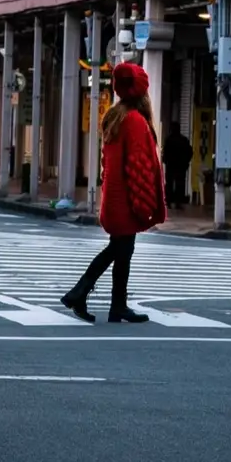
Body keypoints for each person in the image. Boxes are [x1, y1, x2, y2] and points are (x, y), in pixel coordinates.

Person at [61, 60, 166, 323]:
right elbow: (139, 169)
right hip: (128, 200)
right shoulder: (135, 122)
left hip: (114, 198)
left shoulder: (115, 117)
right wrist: (145, 206)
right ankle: (80, 292)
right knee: (118, 249)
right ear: (141, 92)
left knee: (121, 249)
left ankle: (116, 303)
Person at [163, 120, 193, 209]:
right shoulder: (184, 140)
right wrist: (186, 162)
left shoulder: (168, 140)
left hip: (171, 165)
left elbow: (165, 153)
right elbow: (189, 152)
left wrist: (166, 161)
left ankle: (168, 201)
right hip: (181, 166)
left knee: (169, 184)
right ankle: (178, 202)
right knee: (180, 184)